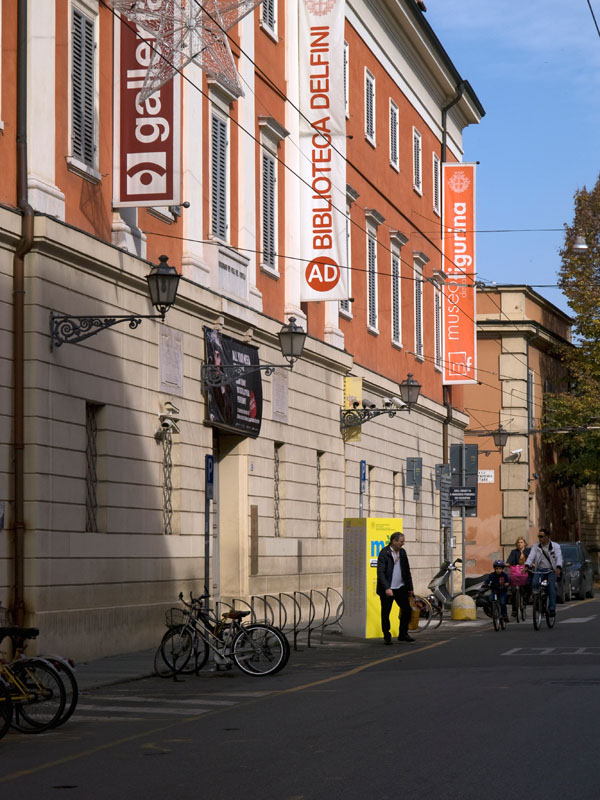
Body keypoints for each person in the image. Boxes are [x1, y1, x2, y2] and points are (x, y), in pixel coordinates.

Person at [376, 532, 415, 644]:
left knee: (407, 610)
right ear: (394, 541)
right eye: (401, 541)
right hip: (388, 589)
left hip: (401, 587)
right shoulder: (385, 553)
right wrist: (387, 588)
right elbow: (381, 573)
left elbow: (407, 571)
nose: (403, 544)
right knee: (386, 613)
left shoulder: (402, 552)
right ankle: (387, 636)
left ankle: (403, 634)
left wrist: (410, 588)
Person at [525, 528, 563, 617]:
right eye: (538, 536)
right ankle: (538, 602)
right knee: (534, 584)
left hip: (551, 570)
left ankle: (552, 608)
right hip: (539, 570)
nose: (539, 538)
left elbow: (559, 557)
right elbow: (531, 557)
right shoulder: (536, 546)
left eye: (541, 536)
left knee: (551, 587)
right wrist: (527, 565)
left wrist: (558, 567)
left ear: (548, 537)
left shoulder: (555, 546)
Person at [506, 536, 531, 617]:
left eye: (521, 542)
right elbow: (509, 561)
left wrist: (532, 565)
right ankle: (514, 609)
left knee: (528, 586)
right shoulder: (514, 552)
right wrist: (506, 564)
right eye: (518, 542)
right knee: (513, 590)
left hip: (526, 572)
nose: (519, 544)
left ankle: (525, 602)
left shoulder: (528, 551)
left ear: (524, 543)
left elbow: (532, 560)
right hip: (516, 573)